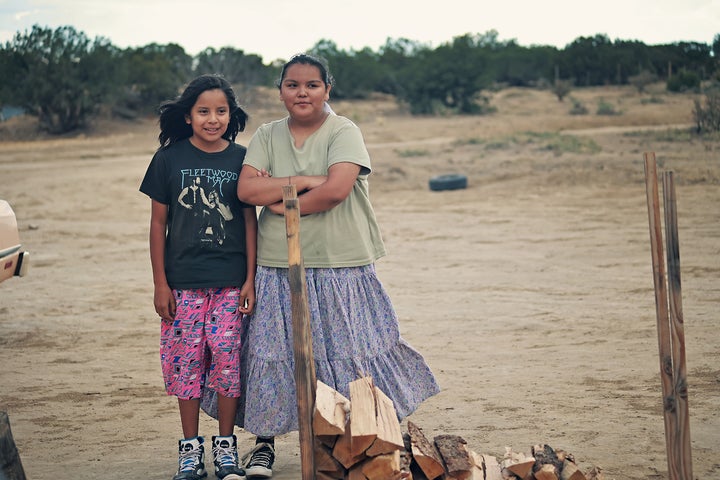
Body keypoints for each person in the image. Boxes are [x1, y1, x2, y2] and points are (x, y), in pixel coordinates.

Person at [202, 53, 440, 478]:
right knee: (275, 352)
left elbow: (336, 190)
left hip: (339, 261)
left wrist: (280, 203)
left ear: (327, 88)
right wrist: (300, 182)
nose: (302, 93)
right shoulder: (268, 135)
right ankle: (265, 443)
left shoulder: (343, 131)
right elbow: (245, 188)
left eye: (311, 85)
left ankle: (366, 436)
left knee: (349, 350)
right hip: (277, 264)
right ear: (280, 91)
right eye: (292, 85)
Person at [139, 73, 257, 480]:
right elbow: (158, 225)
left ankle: (226, 448)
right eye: (203, 111)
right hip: (182, 283)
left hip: (230, 281)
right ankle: (190, 450)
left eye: (221, 111)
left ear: (231, 114)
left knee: (227, 360)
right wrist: (159, 282)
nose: (213, 119)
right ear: (188, 116)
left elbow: (249, 221)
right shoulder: (168, 160)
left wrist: (250, 279)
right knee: (185, 365)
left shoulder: (242, 159)